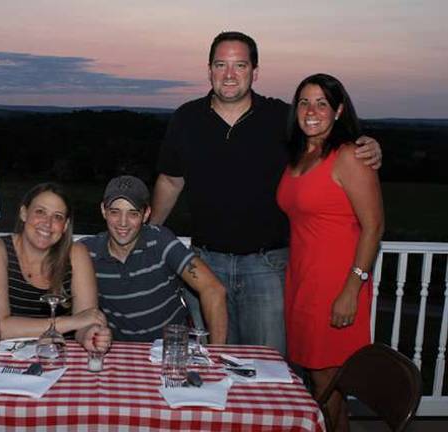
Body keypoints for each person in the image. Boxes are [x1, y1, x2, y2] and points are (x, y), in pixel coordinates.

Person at [151, 31, 382, 354]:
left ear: (254, 72)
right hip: (204, 266)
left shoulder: (281, 118)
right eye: (221, 65)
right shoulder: (186, 118)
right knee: (212, 364)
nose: (229, 75)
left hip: (267, 267)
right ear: (209, 70)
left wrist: (366, 144)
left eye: (240, 65)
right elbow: (171, 182)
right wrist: (148, 235)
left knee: (268, 368)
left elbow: (324, 134)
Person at [277, 73, 383, 431]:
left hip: (336, 287)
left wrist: (352, 289)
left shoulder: (349, 155)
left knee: (328, 387)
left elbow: (374, 227)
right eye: (305, 102)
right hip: (302, 282)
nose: (311, 110)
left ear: (338, 110)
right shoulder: (300, 154)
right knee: (317, 385)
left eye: (322, 103)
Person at [81, 175, 227, 343]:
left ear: (146, 214)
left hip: (171, 350)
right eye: (115, 212)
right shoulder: (86, 253)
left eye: (133, 213)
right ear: (103, 211)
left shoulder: (160, 241)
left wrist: (216, 354)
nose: (123, 222)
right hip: (120, 352)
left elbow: (214, 289)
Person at [0, 183, 111, 352]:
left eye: (58, 217)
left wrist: (90, 334)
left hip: (61, 356)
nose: (47, 223)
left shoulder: (77, 253)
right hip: (6, 358)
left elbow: (86, 320)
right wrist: (66, 323)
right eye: (40, 212)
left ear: (66, 225)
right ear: (24, 213)